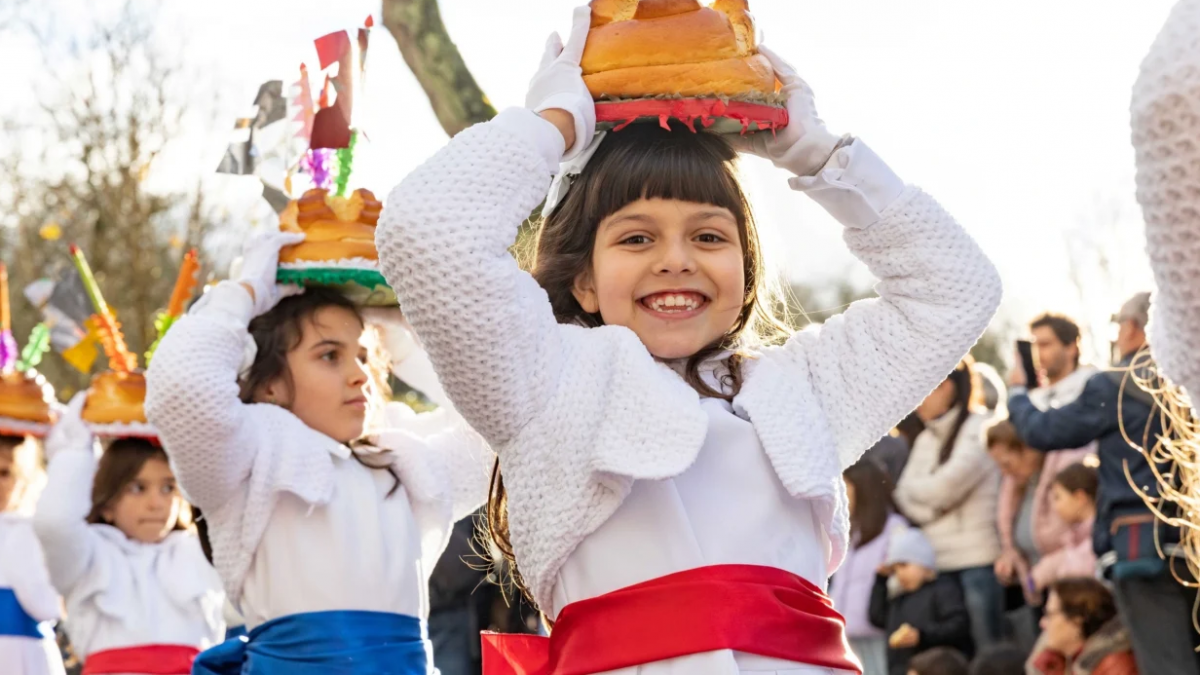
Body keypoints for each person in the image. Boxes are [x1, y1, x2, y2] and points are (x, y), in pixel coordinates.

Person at [378, 2, 1002, 670]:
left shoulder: (804, 388)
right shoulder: (545, 381)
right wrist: (555, 123)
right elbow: (425, 229)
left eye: (708, 236)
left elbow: (956, 289)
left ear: (746, 268)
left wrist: (814, 151)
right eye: (637, 237)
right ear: (583, 281)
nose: (676, 258)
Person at [144, 240, 493, 673]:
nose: (360, 375)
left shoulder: (403, 463)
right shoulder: (247, 460)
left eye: (364, 356)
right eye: (330, 355)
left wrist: (412, 339)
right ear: (267, 383)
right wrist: (246, 293)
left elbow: (499, 427)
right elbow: (182, 389)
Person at [1006, 292, 1200, 674]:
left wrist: (1017, 393)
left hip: (1141, 546)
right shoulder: (1189, 378)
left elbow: (1044, 430)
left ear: (1133, 328)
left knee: (1165, 661)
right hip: (1191, 539)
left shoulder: (1116, 384)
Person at [33, 397, 225, 674]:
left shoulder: (200, 551)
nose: (156, 503)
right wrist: (75, 451)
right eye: (138, 488)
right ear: (107, 503)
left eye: (168, 488)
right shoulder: (88, 556)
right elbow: (55, 523)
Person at [894, 359, 1003, 650]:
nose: (915, 402)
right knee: (947, 659)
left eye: (923, 391)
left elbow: (946, 487)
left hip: (977, 563)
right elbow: (902, 493)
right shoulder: (926, 438)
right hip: (937, 565)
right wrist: (935, 508)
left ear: (946, 386)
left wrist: (931, 503)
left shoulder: (981, 427)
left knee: (987, 652)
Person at [986, 420, 1091, 596]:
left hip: (1074, 587)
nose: (1004, 472)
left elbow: (1082, 539)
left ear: (1028, 450)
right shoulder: (1016, 485)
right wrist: (1010, 557)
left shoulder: (1067, 474)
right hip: (1040, 586)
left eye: (1006, 464)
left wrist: (1045, 572)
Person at [830, 460, 908, 675]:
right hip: (844, 631)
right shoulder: (851, 534)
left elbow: (901, 580)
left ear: (863, 489)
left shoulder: (895, 528)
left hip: (876, 630)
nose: (842, 495)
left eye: (846, 487)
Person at [0, 434, 65, 675]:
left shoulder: (31, 532)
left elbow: (48, 607)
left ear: (24, 479)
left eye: (4, 473)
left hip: (24, 656)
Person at [869, 528, 973, 675]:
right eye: (894, 569)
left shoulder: (943, 590)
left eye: (904, 565)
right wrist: (880, 581)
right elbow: (877, 617)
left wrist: (922, 636)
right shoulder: (900, 598)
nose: (899, 574)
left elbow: (958, 625)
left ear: (923, 563)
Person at [1027, 578, 1138, 675]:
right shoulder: (1071, 662)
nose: (1042, 622)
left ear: (1077, 618)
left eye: (1049, 614)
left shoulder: (1114, 666)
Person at [1029, 464, 1098, 591]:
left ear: (1080, 497)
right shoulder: (1077, 536)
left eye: (1058, 497)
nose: (1055, 507)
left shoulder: (1096, 537)